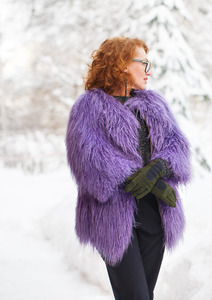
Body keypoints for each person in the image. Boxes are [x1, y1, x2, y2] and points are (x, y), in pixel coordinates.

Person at [65, 37, 191, 300]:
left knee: (144, 293)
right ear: (121, 63)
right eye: (143, 62)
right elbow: (89, 160)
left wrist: (157, 169)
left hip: (155, 213)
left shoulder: (154, 104)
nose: (149, 70)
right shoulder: (89, 106)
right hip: (112, 214)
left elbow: (176, 145)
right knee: (135, 295)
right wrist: (142, 178)